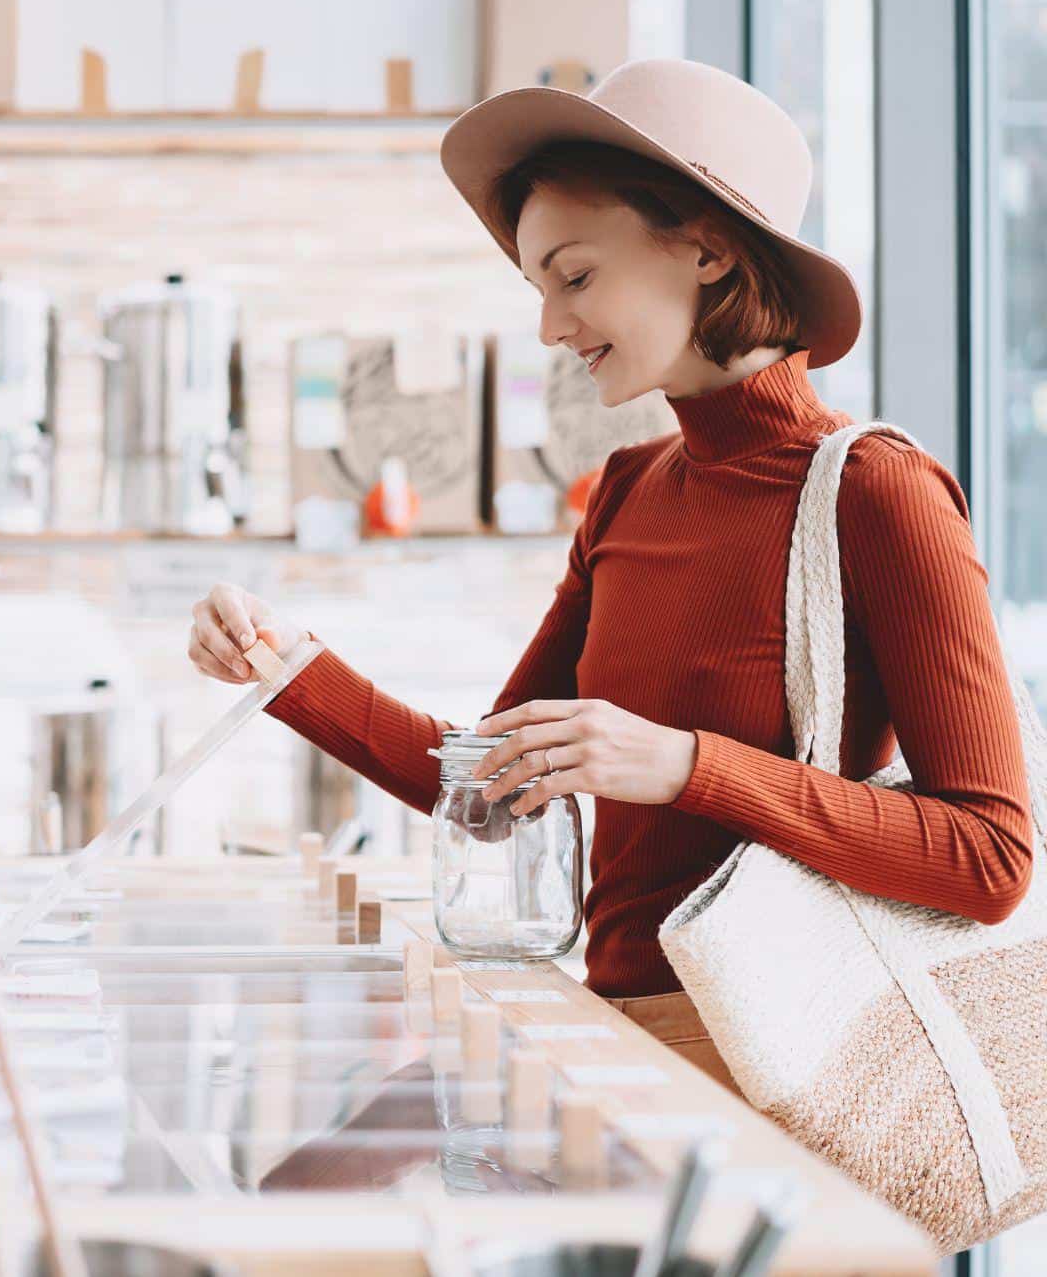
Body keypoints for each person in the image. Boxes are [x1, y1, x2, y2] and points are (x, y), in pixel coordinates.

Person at [190, 58, 1031, 1098]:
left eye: (574, 276)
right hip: (623, 1054)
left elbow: (986, 861)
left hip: (783, 1077)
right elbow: (486, 783)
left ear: (708, 252)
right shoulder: (628, 489)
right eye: (538, 287)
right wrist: (282, 665)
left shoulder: (875, 489)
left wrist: (683, 765)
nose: (549, 325)